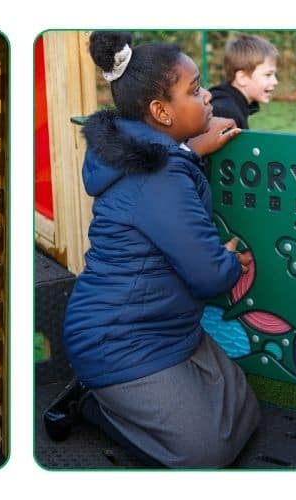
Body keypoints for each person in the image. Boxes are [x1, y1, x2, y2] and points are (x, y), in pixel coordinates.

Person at [41, 31, 258, 468]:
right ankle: (92, 403)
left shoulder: (146, 155)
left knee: (247, 413)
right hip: (117, 339)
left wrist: (192, 148)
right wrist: (231, 261)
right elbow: (209, 275)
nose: (208, 98)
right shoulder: (162, 177)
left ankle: (146, 405)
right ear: (161, 111)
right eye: (194, 90)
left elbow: (157, 175)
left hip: (166, 328)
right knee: (206, 454)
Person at [209, 33, 278, 130]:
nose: (275, 81)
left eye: (274, 75)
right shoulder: (225, 113)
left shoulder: (234, 105)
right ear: (242, 78)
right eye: (268, 75)